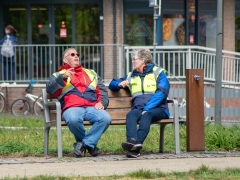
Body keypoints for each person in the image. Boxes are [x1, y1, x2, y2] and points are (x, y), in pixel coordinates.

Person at [46, 48, 111, 157]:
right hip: (72, 107)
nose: (76, 56)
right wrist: (63, 77)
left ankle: (83, 145)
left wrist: (102, 102)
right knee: (73, 119)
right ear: (65, 60)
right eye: (72, 54)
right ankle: (90, 145)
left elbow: (102, 91)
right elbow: (50, 90)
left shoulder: (91, 73)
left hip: (91, 106)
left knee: (105, 118)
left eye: (77, 54)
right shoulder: (59, 74)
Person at [108, 49, 170, 158]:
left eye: (134, 59)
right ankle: (132, 142)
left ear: (143, 60)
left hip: (159, 109)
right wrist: (119, 84)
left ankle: (135, 145)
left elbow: (162, 92)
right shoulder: (131, 75)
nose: (132, 61)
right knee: (131, 115)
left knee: (147, 115)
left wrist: (147, 108)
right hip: (139, 109)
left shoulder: (159, 73)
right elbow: (112, 84)